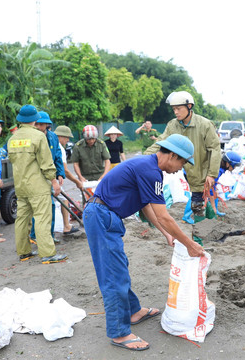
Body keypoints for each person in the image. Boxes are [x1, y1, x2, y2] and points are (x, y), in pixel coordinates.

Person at [84, 134, 204, 351]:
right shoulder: (151, 171)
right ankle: (119, 333)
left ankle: (133, 311)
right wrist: (189, 244)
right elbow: (164, 215)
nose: (181, 168)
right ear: (172, 155)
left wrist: (166, 234)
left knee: (119, 267)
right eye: (182, 162)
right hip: (101, 216)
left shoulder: (148, 167)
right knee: (113, 275)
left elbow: (146, 206)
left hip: (105, 216)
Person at [144, 91, 221, 223]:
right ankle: (211, 227)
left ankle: (201, 237)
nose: (176, 112)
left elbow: (214, 149)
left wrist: (212, 174)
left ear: (189, 106)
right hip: (181, 170)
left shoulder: (205, 124)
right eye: (174, 109)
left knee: (197, 205)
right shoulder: (173, 125)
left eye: (179, 108)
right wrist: (144, 158)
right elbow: (161, 143)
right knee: (198, 202)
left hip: (200, 171)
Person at [7, 104, 67, 264]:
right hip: (37, 186)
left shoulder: (12, 139)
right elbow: (46, 164)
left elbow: (13, 161)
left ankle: (24, 252)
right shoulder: (39, 137)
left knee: (21, 219)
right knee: (42, 218)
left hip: (20, 186)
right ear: (35, 120)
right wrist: (54, 181)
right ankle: (47, 253)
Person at [29, 111, 65, 244]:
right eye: (37, 124)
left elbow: (57, 156)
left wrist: (60, 173)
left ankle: (49, 235)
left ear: (47, 125)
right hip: (37, 177)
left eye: (42, 124)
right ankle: (35, 235)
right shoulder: (32, 138)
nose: (39, 126)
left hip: (50, 176)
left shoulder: (53, 137)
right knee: (40, 208)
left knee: (50, 206)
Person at [54, 125, 82, 235]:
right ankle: (66, 226)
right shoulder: (59, 148)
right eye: (67, 137)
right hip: (52, 180)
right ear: (60, 136)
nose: (68, 140)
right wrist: (77, 182)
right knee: (63, 199)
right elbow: (66, 170)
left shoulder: (49, 143)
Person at [208, 151, 242, 216]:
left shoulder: (221, 168)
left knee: (215, 192)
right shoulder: (217, 170)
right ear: (228, 163)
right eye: (234, 165)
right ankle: (187, 216)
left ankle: (215, 211)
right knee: (198, 194)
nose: (234, 168)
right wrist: (213, 206)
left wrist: (215, 191)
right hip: (195, 176)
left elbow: (213, 184)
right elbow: (210, 188)